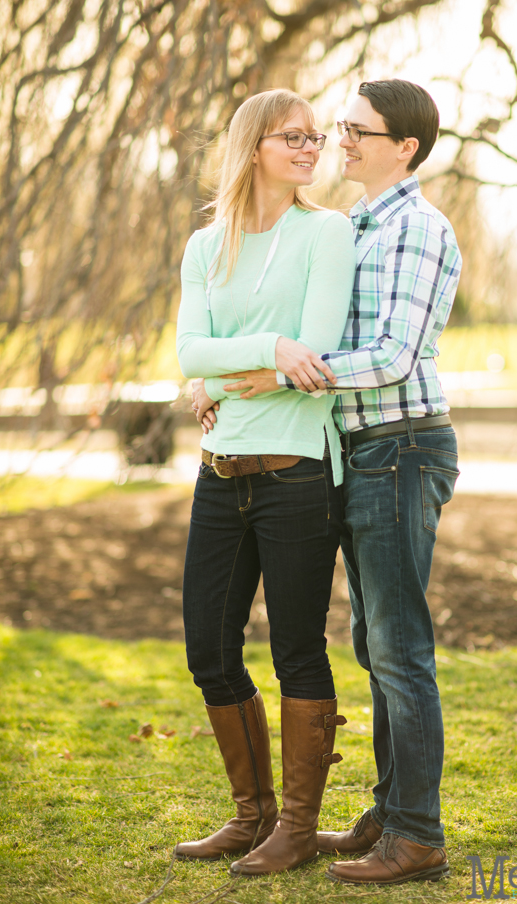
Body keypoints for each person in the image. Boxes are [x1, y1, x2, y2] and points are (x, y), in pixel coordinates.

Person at [194, 79, 462, 886]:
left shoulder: (416, 228)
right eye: (335, 127)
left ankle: (416, 835)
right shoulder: (359, 228)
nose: (338, 141)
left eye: (354, 130)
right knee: (371, 644)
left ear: (403, 147)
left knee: (400, 648)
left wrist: (265, 374)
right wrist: (252, 361)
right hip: (354, 449)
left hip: (402, 446)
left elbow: (390, 359)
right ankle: (388, 810)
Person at [173, 88, 356, 876]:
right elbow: (189, 353)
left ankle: (299, 828)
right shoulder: (204, 246)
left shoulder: (328, 232)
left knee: (296, 653)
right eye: (294, 137)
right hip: (220, 473)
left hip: (297, 474)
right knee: (208, 650)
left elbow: (315, 350)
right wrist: (268, 352)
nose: (311, 148)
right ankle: (253, 817)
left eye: (316, 138)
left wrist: (263, 360)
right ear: (254, 147)